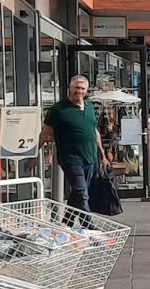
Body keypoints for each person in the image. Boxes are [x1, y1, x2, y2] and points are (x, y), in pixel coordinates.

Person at [41, 76, 107, 212]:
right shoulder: (58, 109)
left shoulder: (89, 107)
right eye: (76, 88)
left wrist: (102, 154)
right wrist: (36, 154)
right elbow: (45, 133)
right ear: (70, 89)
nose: (79, 91)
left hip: (90, 157)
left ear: (86, 91)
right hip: (71, 158)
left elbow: (94, 131)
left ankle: (66, 221)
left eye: (82, 88)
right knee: (82, 193)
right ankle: (88, 223)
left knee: (78, 193)